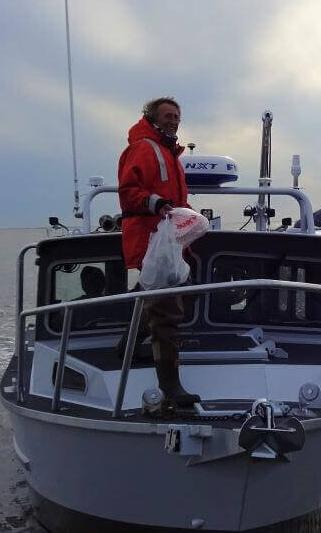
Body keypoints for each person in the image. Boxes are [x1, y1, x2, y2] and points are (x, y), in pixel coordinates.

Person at [117, 96, 200, 407]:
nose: (174, 120)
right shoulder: (143, 148)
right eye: (168, 115)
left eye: (177, 115)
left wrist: (190, 217)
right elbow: (128, 193)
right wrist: (156, 203)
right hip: (151, 240)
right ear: (152, 118)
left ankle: (125, 344)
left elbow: (177, 199)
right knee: (166, 310)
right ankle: (170, 385)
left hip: (167, 241)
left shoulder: (169, 153)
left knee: (154, 293)